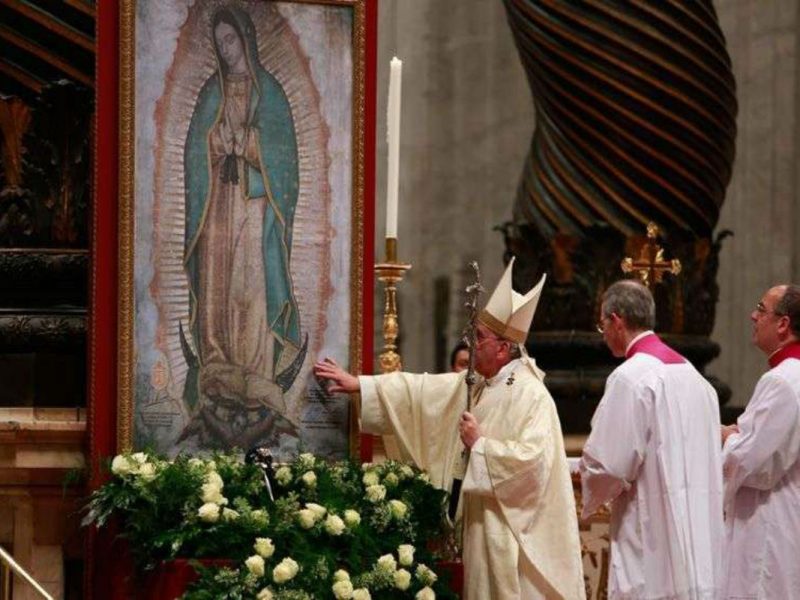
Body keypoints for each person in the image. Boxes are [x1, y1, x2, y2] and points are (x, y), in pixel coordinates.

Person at [314, 258, 585, 600]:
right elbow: (424, 392)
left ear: (503, 348)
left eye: (480, 338)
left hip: (509, 537)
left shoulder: (532, 396)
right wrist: (362, 386)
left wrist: (481, 446)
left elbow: (533, 466)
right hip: (480, 529)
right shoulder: (482, 384)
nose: (471, 344)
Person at [182, 7, 302, 426]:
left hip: (254, 205)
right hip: (218, 203)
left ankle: (255, 375)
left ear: (246, 41)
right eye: (220, 42)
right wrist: (216, 140)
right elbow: (195, 149)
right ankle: (217, 370)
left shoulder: (269, 93)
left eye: (231, 40)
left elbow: (284, 159)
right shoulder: (210, 94)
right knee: (216, 284)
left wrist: (249, 142)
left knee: (249, 286)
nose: (225, 48)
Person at [579, 279, 724, 600]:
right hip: (699, 544)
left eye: (602, 323)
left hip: (650, 539)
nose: (602, 332)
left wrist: (588, 484)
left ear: (616, 320)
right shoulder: (699, 382)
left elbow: (610, 466)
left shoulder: (630, 378)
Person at [720, 284, 800, 599]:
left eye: (761, 309)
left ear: (783, 324)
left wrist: (725, 437)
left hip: (768, 521)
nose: (753, 316)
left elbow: (755, 464)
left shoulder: (782, 381)